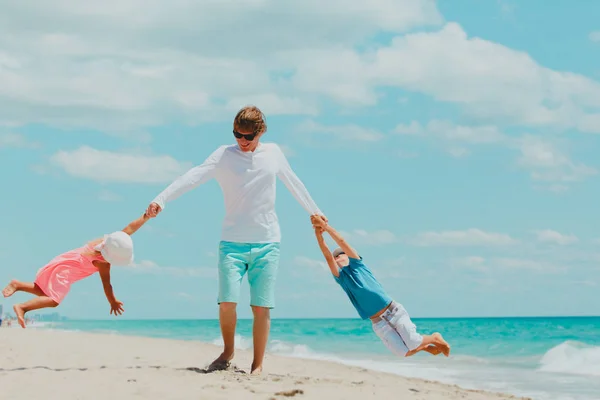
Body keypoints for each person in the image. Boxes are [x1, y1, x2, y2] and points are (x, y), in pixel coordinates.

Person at [145, 105, 325, 374]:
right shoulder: (223, 156)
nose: (242, 141)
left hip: (267, 242)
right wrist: (161, 199)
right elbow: (191, 177)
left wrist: (315, 211)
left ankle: (257, 365)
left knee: (261, 307)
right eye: (237, 135)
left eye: (248, 136)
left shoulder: (273, 153)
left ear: (260, 132)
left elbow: (294, 182)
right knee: (227, 302)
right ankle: (228, 351)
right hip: (231, 242)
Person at [310, 215, 451, 358]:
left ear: (348, 255)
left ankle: (434, 337)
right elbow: (326, 255)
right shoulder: (341, 278)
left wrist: (325, 227)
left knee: (413, 341)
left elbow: (341, 240)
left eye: (339, 255)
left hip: (394, 311)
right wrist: (317, 233)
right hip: (379, 323)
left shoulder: (358, 264)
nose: (336, 258)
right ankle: (425, 347)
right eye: (335, 258)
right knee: (403, 352)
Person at [2, 213, 149, 328]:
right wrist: (112, 302)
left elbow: (130, 228)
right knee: (53, 301)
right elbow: (107, 285)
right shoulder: (103, 263)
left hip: (63, 261)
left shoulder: (108, 241)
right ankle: (22, 307)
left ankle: (18, 285)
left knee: (44, 293)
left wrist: (146, 216)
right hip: (64, 273)